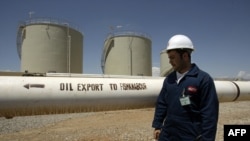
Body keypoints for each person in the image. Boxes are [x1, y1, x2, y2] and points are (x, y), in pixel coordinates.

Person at [152, 34, 219, 141]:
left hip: (190, 135)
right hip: (168, 134)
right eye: (169, 58)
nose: (170, 61)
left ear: (185, 56)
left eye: (173, 57)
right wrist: (158, 125)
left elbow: (209, 115)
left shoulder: (202, 79)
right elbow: (162, 103)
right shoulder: (169, 79)